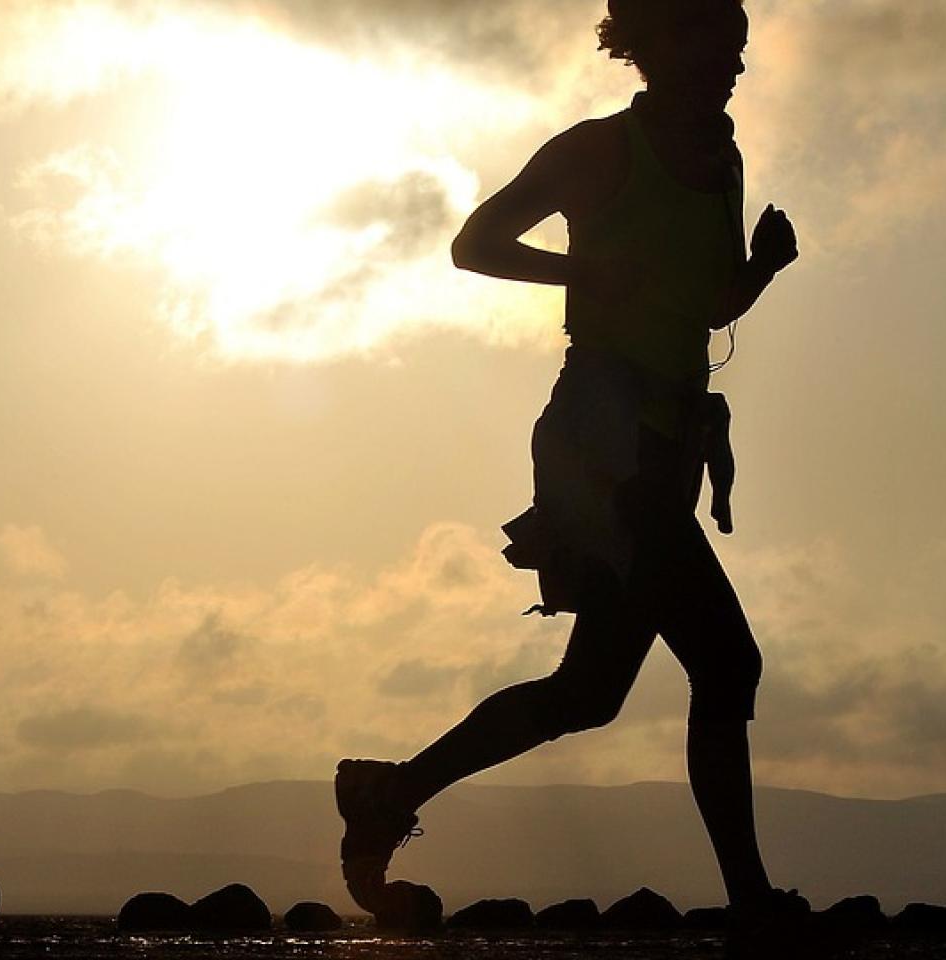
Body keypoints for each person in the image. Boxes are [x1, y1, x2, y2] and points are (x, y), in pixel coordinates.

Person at [336, 0, 805, 939]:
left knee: (589, 694)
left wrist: (760, 270)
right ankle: (753, 906)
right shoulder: (595, 152)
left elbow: (704, 307)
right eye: (717, 46)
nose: (733, 68)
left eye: (742, 52)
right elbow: (474, 245)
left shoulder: (723, 161)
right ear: (656, 43)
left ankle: (390, 792)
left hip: (666, 446)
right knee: (726, 659)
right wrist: (582, 277)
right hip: (601, 439)